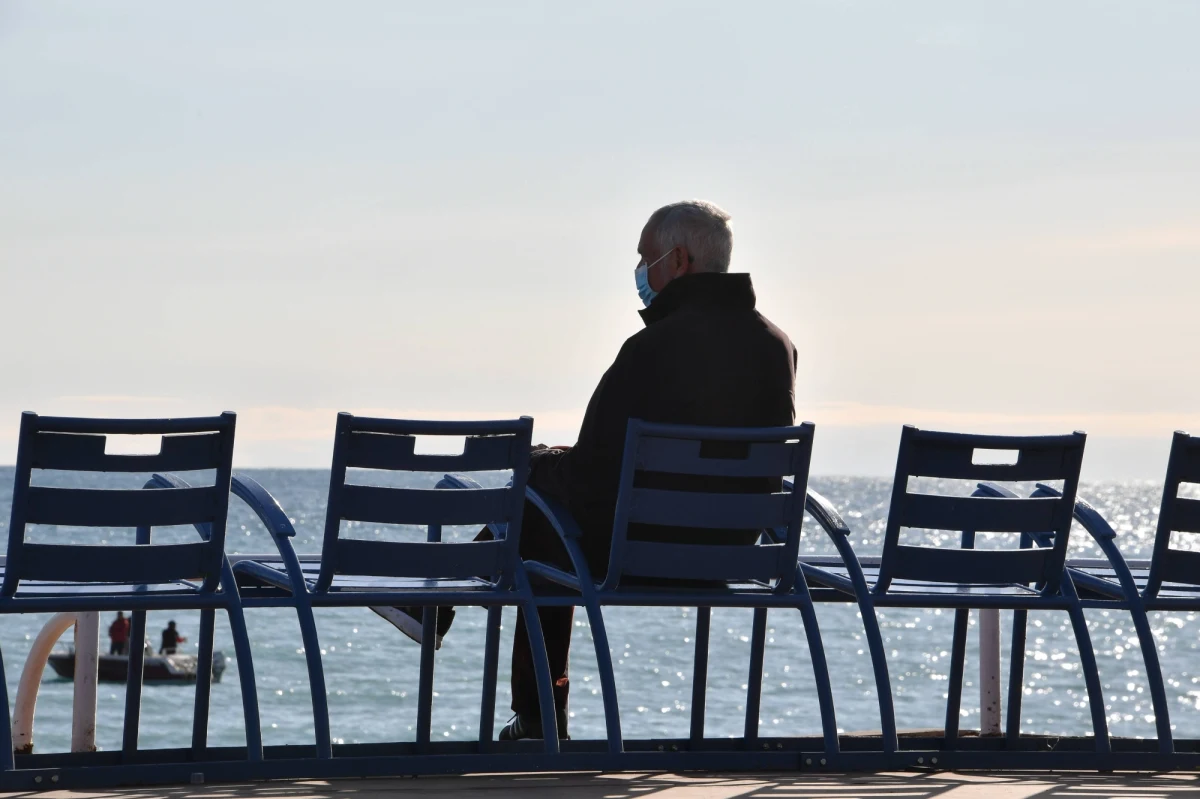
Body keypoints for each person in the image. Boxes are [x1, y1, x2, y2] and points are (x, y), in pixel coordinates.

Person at [398, 201, 797, 741]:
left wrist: (539, 462)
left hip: (641, 548)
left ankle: (526, 702)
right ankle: (440, 611)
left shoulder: (649, 348)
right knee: (543, 500)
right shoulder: (778, 346)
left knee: (540, 509)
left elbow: (590, 480)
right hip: (732, 549)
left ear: (678, 260)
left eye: (645, 258)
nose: (639, 272)